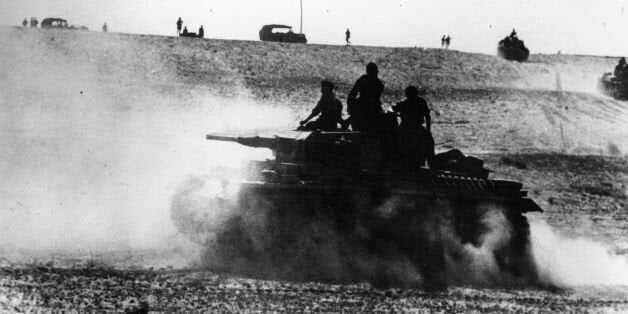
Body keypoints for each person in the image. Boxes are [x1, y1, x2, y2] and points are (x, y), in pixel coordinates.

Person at [392, 85, 434, 168]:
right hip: (410, 128)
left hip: (409, 129)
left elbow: (427, 116)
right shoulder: (418, 102)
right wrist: (428, 130)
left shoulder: (408, 103)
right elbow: (427, 116)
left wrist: (428, 131)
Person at [347, 62, 384, 132]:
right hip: (363, 105)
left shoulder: (378, 84)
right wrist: (351, 100)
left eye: (371, 71)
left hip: (371, 107)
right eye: (369, 71)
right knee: (352, 101)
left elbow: (372, 98)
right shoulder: (363, 80)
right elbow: (353, 92)